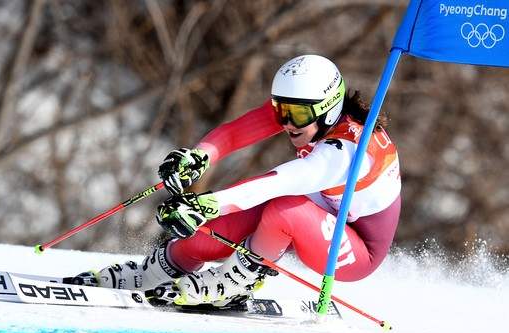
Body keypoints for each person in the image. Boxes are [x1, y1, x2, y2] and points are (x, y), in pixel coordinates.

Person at [72, 54, 401, 308]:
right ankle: (152, 274)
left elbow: (278, 182)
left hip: (354, 250)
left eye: (297, 115)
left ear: (329, 109)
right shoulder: (309, 114)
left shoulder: (343, 153)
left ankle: (236, 281)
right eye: (280, 109)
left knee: (283, 209)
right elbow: (234, 132)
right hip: (314, 211)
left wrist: (205, 202)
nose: (286, 122)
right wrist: (198, 157)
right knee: (205, 235)